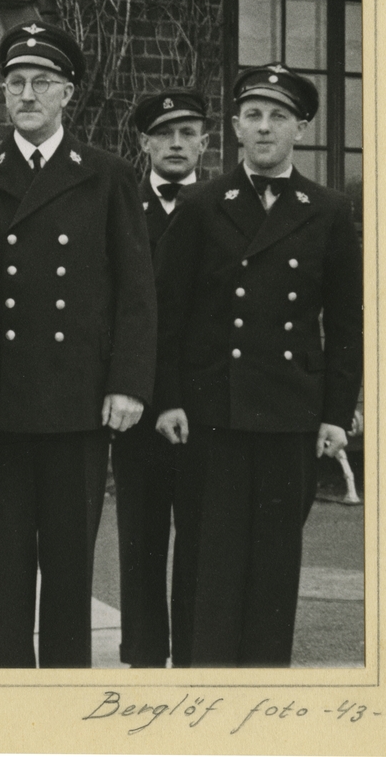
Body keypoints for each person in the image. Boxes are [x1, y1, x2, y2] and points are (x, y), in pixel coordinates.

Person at [0, 21, 156, 667]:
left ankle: (66, 699)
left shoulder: (107, 176)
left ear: (68, 93)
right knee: (6, 565)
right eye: (16, 82)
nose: (27, 95)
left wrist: (128, 383)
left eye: (42, 83)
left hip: (77, 404)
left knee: (69, 568)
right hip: (2, 406)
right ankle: (9, 699)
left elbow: (135, 291)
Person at [153, 63, 362, 666]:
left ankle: (265, 690)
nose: (265, 127)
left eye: (278, 116)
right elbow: (168, 313)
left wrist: (336, 413)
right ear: (236, 128)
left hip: (289, 414)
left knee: (274, 565)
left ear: (300, 128)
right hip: (211, 414)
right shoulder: (202, 205)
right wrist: (168, 398)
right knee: (208, 560)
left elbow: (346, 324)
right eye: (253, 115)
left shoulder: (327, 209)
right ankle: (201, 686)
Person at [112, 88, 210, 668]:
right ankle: (145, 654)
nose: (176, 144)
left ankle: (194, 656)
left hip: (203, 402)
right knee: (140, 537)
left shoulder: (220, 206)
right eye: (164, 134)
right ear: (144, 143)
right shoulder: (122, 205)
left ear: (204, 142)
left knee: (200, 536)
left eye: (187, 133)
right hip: (139, 398)